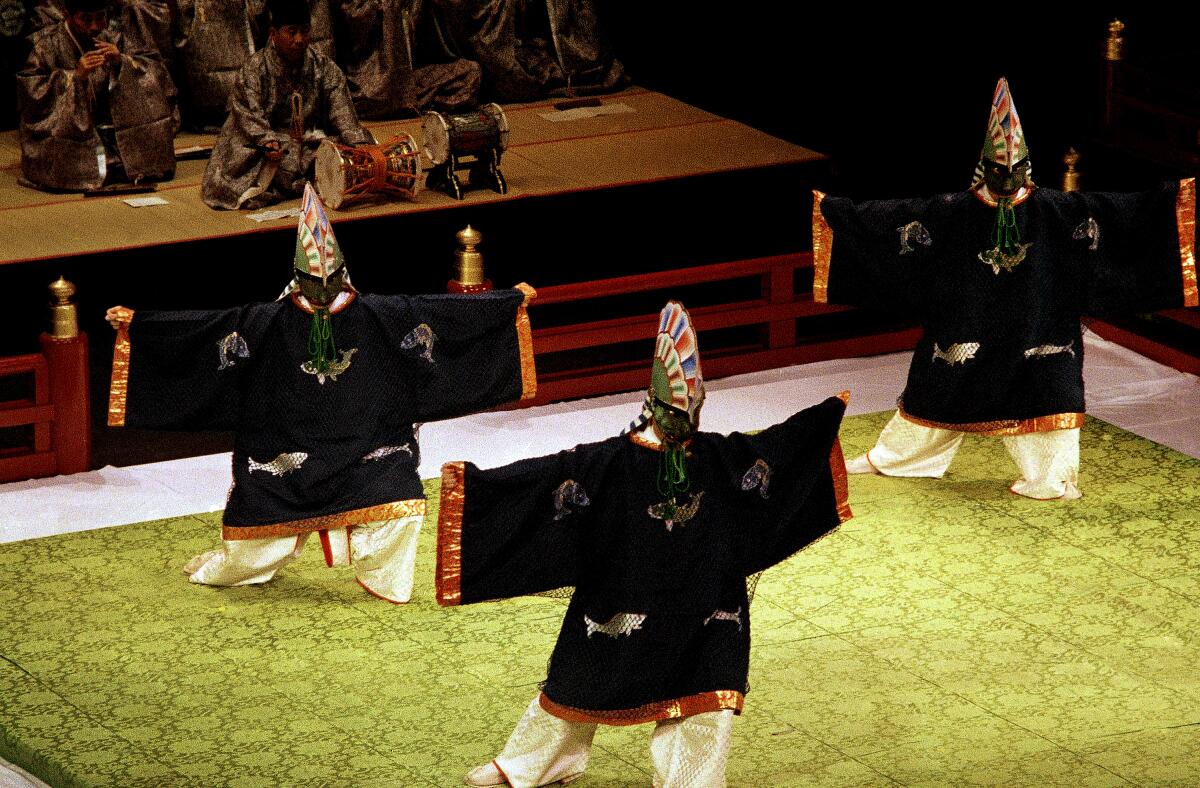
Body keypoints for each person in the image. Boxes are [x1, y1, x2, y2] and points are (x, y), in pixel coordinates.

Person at [437, 301, 851, 787]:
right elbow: (544, 484)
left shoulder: (718, 456)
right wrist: (476, 487)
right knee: (579, 681)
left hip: (706, 603)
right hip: (622, 598)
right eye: (677, 412)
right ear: (653, 404)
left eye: (693, 410)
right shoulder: (609, 463)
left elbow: (773, 454)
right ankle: (535, 764)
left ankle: (691, 782)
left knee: (704, 698)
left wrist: (822, 421)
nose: (687, 422)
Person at [107, 183, 537, 603]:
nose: (322, 289)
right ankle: (236, 569)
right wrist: (137, 326)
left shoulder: (379, 316)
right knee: (256, 545)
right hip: (285, 450)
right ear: (297, 278)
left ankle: (385, 580)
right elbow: (204, 332)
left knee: (403, 507)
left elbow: (441, 316)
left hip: (370, 448)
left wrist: (508, 303)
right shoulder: (266, 322)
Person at [813, 77, 1197, 500]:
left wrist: (1173, 198)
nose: (1007, 178)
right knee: (937, 385)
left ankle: (1050, 478)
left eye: (1014, 170)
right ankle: (898, 458)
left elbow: (1122, 216)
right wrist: (837, 214)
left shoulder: (1055, 210)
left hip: (1039, 324)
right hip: (967, 318)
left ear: (1027, 167)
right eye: (999, 170)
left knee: (1048, 394)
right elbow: (892, 222)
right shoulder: (953, 212)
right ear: (984, 166)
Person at [200, 0, 371, 209]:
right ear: (274, 33)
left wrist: (357, 142)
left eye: (304, 31)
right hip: (264, 146)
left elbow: (342, 111)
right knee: (248, 166)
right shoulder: (254, 69)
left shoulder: (324, 68)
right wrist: (267, 140)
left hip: (308, 142)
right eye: (291, 32)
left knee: (346, 155)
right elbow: (248, 114)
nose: (299, 39)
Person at [17, 0, 177, 192]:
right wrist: (74, 78)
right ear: (68, 14)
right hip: (67, 132)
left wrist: (123, 62)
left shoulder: (114, 38)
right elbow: (32, 94)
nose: (95, 26)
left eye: (100, 17)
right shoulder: (47, 46)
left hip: (111, 126)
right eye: (86, 19)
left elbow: (156, 72)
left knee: (146, 149)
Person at [337, 0, 481, 119]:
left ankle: (404, 103)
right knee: (382, 95)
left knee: (470, 73)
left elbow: (435, 41)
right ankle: (397, 104)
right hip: (370, 83)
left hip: (408, 80)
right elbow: (354, 15)